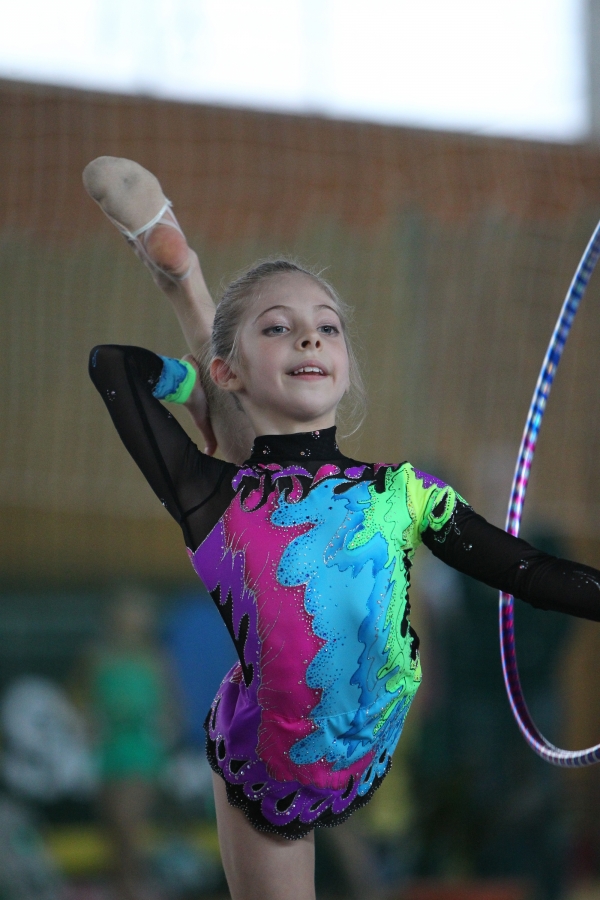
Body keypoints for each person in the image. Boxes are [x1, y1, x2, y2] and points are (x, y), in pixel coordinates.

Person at [84, 158, 600, 900]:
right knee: (247, 466)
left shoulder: (404, 494)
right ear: (230, 369)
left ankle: (184, 277)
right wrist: (195, 386)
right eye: (280, 328)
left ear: (348, 364)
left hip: (360, 752)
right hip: (268, 766)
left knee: (249, 461)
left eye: (327, 327)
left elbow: (529, 571)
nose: (310, 339)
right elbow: (112, 367)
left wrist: (207, 385)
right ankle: (184, 279)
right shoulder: (214, 494)